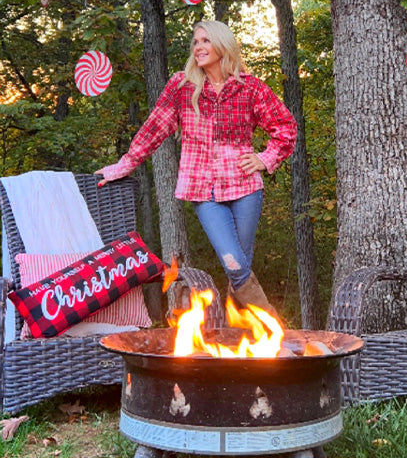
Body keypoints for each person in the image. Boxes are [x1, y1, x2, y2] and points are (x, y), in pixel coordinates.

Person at [96, 20, 297, 318]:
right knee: (234, 264)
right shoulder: (182, 85)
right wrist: (126, 163)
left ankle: (241, 335)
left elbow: (286, 127)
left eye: (206, 41)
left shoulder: (250, 88)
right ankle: (271, 326)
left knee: (240, 268)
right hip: (204, 191)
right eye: (196, 42)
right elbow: (155, 128)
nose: (198, 47)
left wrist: (265, 159)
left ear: (222, 45)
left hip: (245, 188)